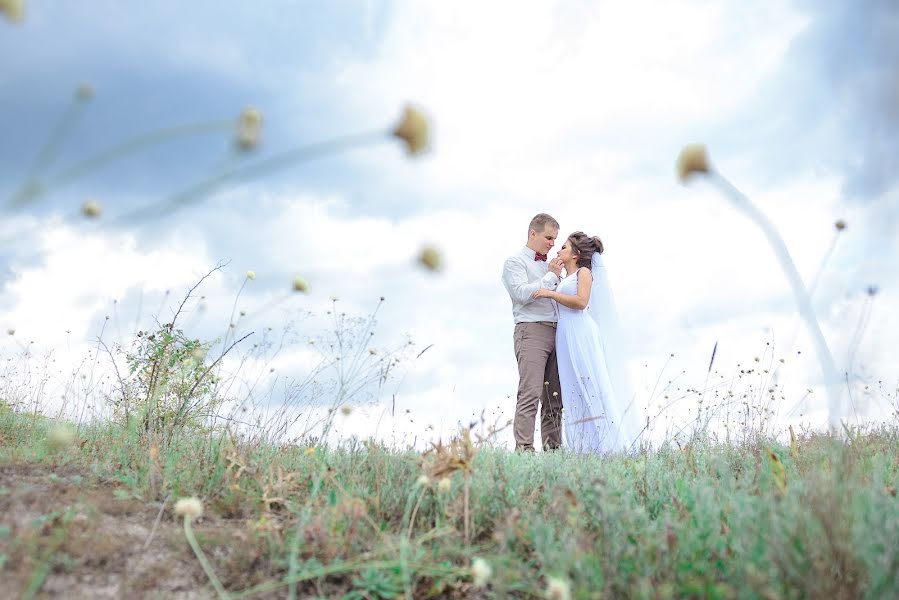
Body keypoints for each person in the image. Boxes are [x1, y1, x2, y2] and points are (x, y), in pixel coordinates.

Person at [533, 231, 642, 453]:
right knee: (572, 387)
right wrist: (553, 278)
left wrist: (550, 294)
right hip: (565, 333)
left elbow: (581, 302)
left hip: (580, 332)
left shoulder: (584, 273)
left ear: (576, 254)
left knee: (590, 382)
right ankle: (585, 447)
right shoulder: (565, 278)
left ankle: (612, 445)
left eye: (563, 247)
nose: (558, 250)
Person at [501, 213, 565, 451]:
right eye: (548, 237)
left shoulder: (554, 266)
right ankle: (524, 449)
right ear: (533, 233)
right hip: (531, 331)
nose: (552, 243)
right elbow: (520, 293)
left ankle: (553, 451)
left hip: (558, 332)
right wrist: (551, 277)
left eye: (555, 239)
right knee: (531, 392)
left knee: (554, 398)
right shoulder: (515, 262)